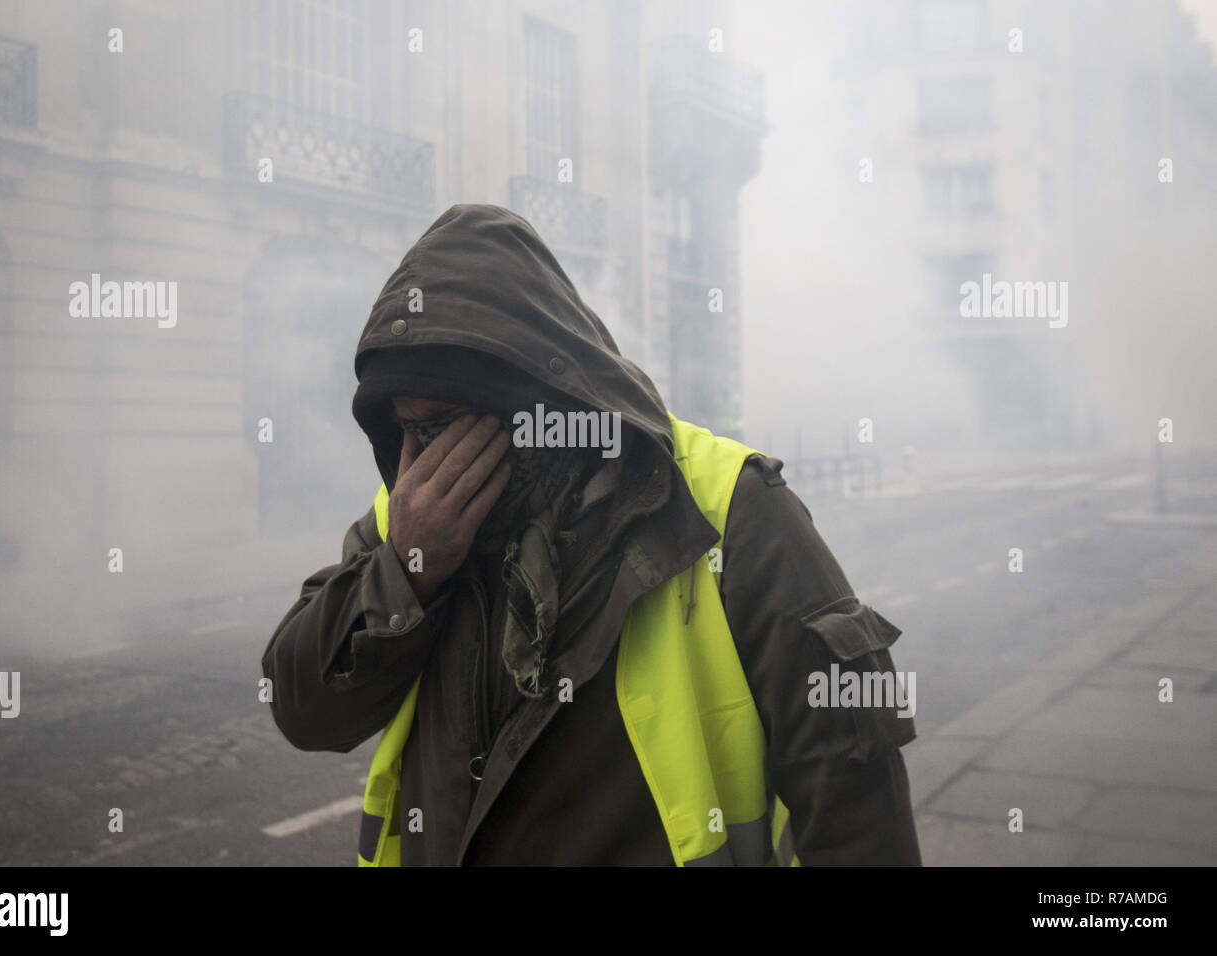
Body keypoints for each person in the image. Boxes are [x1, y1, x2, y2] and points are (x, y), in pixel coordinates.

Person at [260, 204, 921, 866]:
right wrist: (406, 573)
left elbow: (855, 807)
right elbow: (303, 707)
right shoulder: (408, 516)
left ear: (528, 403)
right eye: (402, 429)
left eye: (440, 427)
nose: (417, 463)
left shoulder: (726, 507)